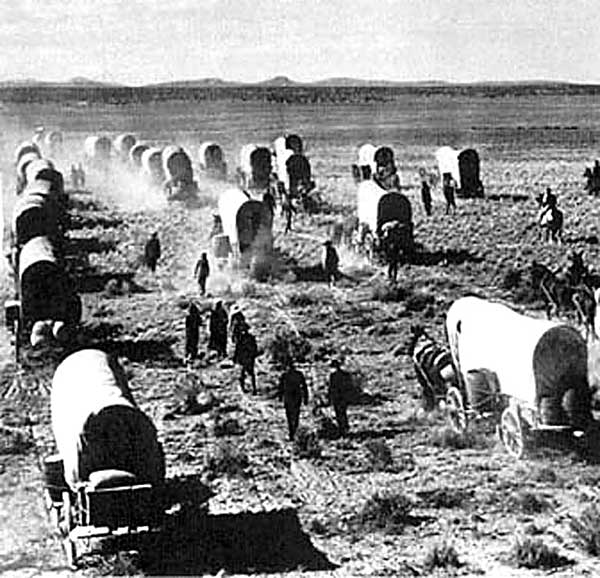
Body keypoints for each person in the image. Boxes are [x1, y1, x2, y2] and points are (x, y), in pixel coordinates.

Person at [278, 360, 309, 441]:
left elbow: (280, 387)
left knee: (290, 415)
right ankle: (294, 430)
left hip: (289, 397)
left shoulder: (285, 375)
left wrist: (280, 397)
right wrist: (306, 398)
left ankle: (292, 431)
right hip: (296, 397)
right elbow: (304, 387)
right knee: (295, 414)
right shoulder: (298, 374)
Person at [327, 359, 353, 437]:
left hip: (337, 397)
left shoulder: (333, 376)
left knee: (339, 413)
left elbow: (331, 388)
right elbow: (350, 387)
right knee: (343, 412)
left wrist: (330, 397)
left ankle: (342, 428)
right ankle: (345, 427)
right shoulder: (346, 375)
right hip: (343, 397)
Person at [235, 326, 258, 394]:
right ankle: (252, 388)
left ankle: (251, 388)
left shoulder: (243, 338)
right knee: (248, 373)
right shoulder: (248, 338)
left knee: (245, 373)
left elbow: (238, 348)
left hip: (246, 357)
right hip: (247, 357)